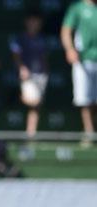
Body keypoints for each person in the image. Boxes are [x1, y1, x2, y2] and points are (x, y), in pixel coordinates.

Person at [10, 9, 48, 159]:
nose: (34, 24)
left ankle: (31, 134)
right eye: (31, 20)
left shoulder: (41, 39)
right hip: (26, 75)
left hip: (40, 75)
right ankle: (17, 96)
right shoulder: (20, 38)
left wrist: (46, 72)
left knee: (36, 107)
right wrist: (21, 68)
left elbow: (44, 58)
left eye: (36, 21)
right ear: (26, 22)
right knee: (34, 102)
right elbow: (16, 55)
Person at [61, 0, 97, 147]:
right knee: (85, 98)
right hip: (83, 60)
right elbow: (66, 30)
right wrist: (70, 49)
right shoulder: (76, 8)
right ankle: (89, 132)